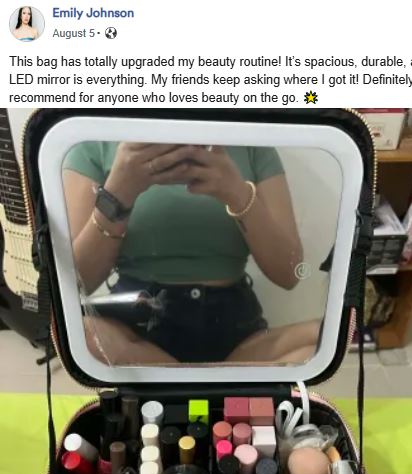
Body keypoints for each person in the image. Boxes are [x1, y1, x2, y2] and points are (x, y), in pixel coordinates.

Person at [63, 141, 319, 365]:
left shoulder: (251, 141)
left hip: (236, 335)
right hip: (134, 328)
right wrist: (118, 193)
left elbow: (290, 273)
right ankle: (218, 386)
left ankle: (181, 387)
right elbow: (74, 282)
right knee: (74, 333)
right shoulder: (94, 141)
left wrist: (238, 193)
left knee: (325, 338)